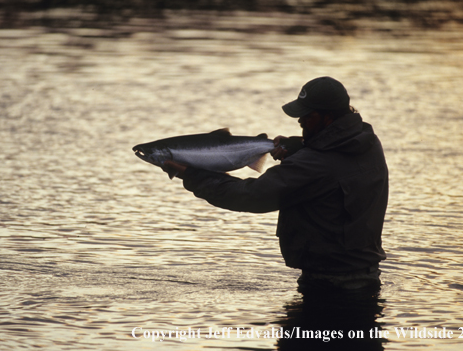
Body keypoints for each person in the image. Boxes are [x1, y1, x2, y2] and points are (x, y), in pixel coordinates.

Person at [163, 76, 389, 290]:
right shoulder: (365, 141)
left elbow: (249, 196)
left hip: (331, 284)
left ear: (327, 117)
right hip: (364, 274)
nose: (300, 120)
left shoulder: (313, 164)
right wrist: (299, 146)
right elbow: (333, 158)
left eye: (307, 116)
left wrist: (193, 175)